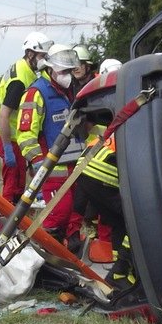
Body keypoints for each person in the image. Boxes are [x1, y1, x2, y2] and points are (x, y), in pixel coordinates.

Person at [72, 58, 133, 287]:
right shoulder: (134, 116)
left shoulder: (117, 115)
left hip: (86, 168)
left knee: (119, 222)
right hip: (102, 174)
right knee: (136, 221)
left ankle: (119, 270)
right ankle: (123, 272)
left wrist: (87, 213)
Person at [15, 44, 82, 241]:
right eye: (64, 71)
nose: (68, 76)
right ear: (50, 69)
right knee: (58, 216)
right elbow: (25, 135)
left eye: (70, 71)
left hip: (75, 168)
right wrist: (39, 163)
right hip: (53, 170)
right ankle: (47, 250)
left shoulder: (70, 92)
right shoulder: (36, 93)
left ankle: (71, 251)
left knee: (75, 216)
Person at [0, 31, 50, 204]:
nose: (44, 60)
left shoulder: (25, 69)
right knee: (13, 181)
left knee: (19, 180)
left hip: (15, 136)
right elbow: (4, 115)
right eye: (42, 56)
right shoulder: (20, 80)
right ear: (30, 53)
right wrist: (7, 148)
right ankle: (7, 216)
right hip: (8, 136)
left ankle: (15, 214)